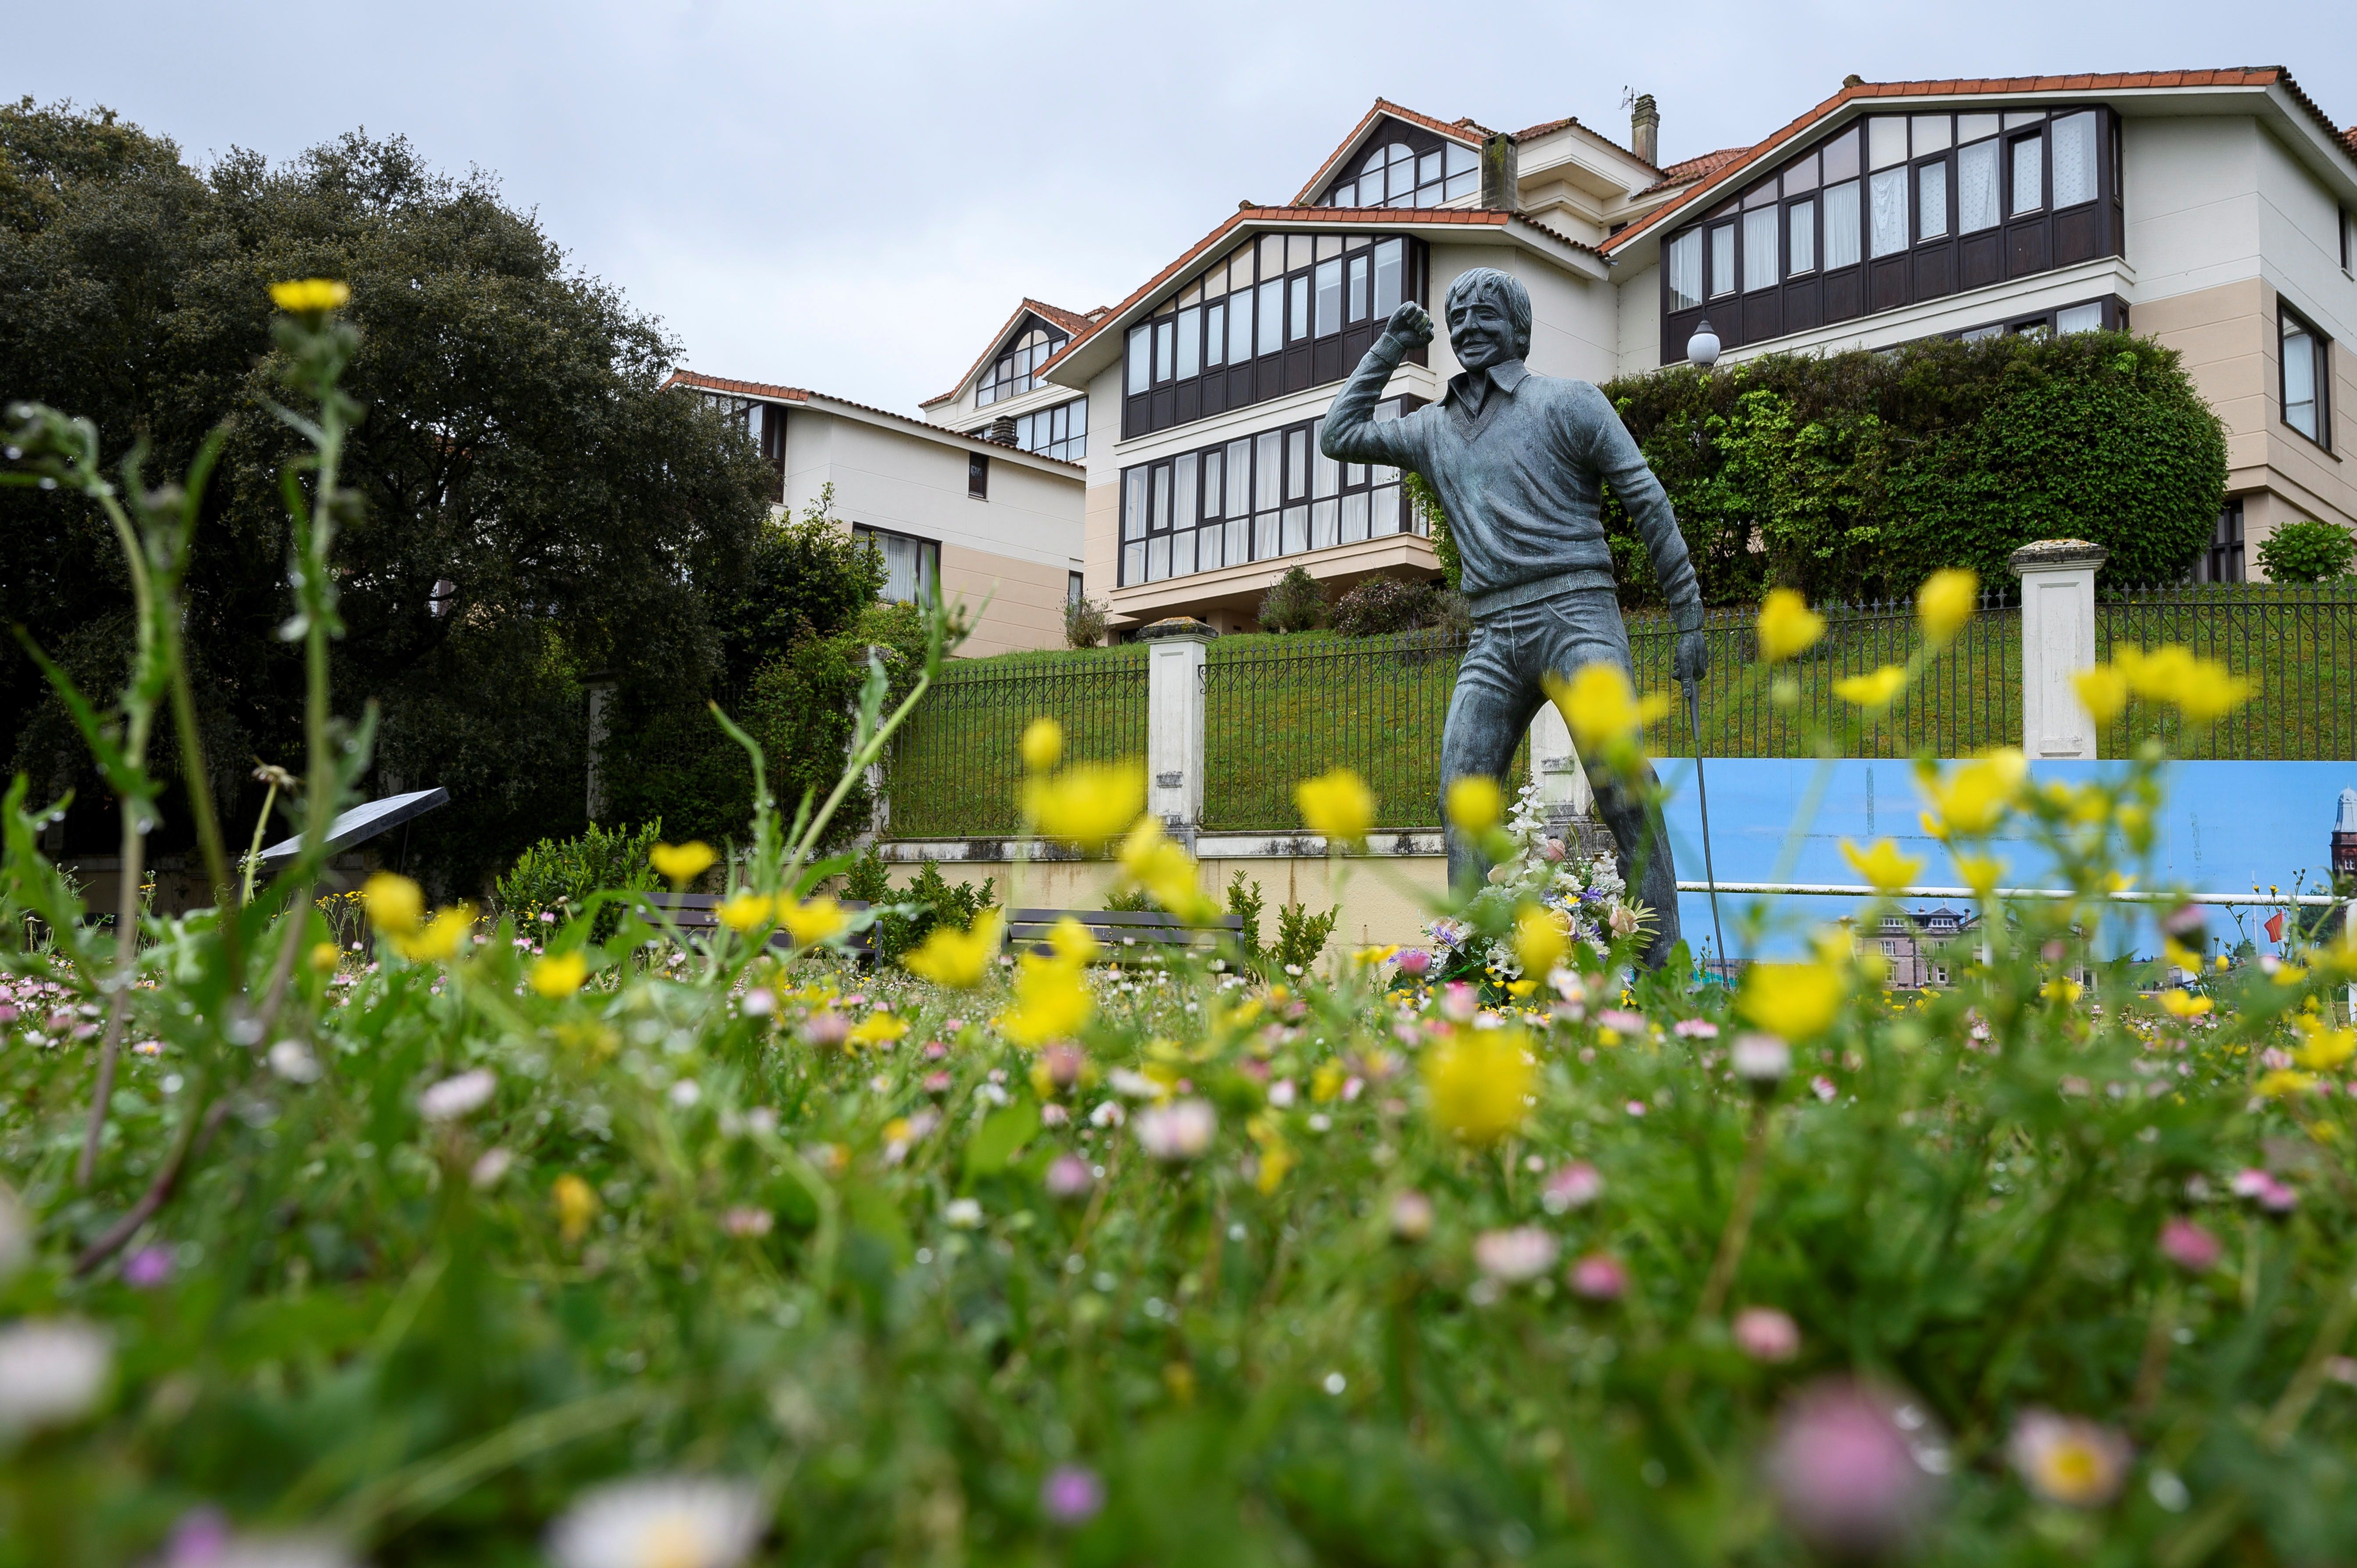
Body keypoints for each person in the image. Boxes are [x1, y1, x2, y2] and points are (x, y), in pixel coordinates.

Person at [1320, 266, 1706, 967]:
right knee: (1462, 794)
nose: (1468, 326)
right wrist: (1388, 348)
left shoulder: (1571, 403)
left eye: (1485, 313)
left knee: (1622, 788)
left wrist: (1689, 617)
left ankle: (1661, 971)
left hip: (1577, 611)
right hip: (1495, 631)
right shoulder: (1431, 429)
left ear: (1520, 328)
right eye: (1457, 315)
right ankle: (1474, 966)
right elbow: (1339, 434)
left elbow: (1648, 501)